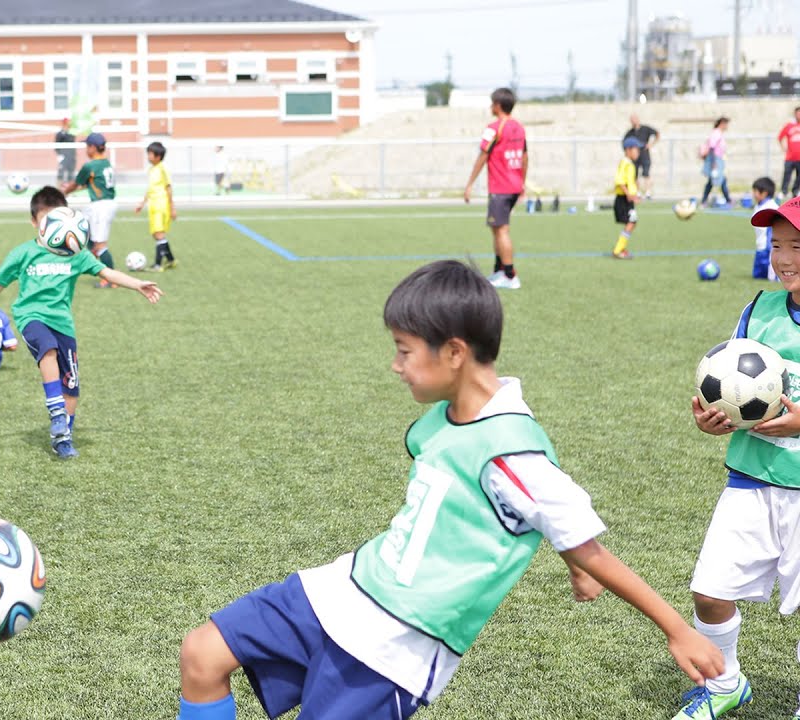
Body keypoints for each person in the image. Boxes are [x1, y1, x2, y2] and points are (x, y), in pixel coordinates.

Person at [176, 260, 725, 720]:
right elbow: (545, 519)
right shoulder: (440, 421)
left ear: (455, 352)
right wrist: (572, 565)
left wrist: (677, 629)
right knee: (202, 652)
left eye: (404, 350)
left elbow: (585, 541)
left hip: (397, 644)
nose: (395, 366)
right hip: (339, 590)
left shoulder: (512, 453)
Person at [681, 195, 800, 720]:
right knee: (709, 591)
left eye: (796, 245)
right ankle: (727, 682)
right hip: (750, 479)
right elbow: (724, 384)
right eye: (777, 245)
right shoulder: (759, 310)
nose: (784, 258)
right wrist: (712, 418)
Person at [0, 186, 163, 459]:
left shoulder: (76, 254)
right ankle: (56, 413)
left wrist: (137, 284)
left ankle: (63, 436)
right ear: (35, 223)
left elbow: (106, 272)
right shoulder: (23, 253)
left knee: (72, 385)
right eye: (47, 221)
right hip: (30, 316)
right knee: (48, 349)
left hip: (63, 322)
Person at [463, 87, 527, 290]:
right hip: (513, 185)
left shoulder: (494, 127)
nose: (491, 107)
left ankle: (509, 275)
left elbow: (483, 156)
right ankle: (500, 270)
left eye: (492, 103)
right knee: (497, 229)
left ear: (498, 106)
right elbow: (525, 157)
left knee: (501, 231)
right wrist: (522, 182)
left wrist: (470, 183)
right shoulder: (519, 127)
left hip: (501, 187)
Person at [61, 132, 117, 288]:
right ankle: (93, 251)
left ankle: (111, 279)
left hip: (101, 206)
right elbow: (91, 183)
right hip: (102, 205)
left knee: (101, 245)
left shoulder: (90, 165)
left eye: (87, 146)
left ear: (93, 147)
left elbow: (76, 183)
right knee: (81, 228)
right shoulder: (106, 163)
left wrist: (65, 191)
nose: (86, 149)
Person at [135, 141, 177, 272]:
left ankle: (158, 265)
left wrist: (172, 207)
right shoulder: (152, 169)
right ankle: (171, 260)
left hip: (161, 205)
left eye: (150, 154)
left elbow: (168, 188)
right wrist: (142, 203)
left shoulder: (163, 169)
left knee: (159, 234)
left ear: (158, 156)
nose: (148, 156)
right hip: (153, 205)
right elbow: (151, 189)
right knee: (156, 234)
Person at [612, 137, 642, 259]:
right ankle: (618, 250)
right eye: (636, 149)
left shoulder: (630, 163)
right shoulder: (625, 163)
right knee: (631, 222)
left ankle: (620, 248)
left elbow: (630, 181)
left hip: (628, 200)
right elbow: (619, 181)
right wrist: (629, 195)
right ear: (628, 150)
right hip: (622, 199)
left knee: (632, 222)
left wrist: (635, 193)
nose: (638, 152)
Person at [623, 114, 660, 200]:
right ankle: (638, 192)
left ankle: (648, 192)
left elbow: (657, 134)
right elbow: (624, 144)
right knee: (635, 174)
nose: (633, 121)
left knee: (646, 173)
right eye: (631, 120)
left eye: (634, 119)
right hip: (634, 158)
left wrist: (651, 144)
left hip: (644, 154)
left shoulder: (645, 129)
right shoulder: (630, 132)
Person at [750, 177, 779, 281]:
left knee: (771, 277)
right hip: (760, 246)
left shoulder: (771, 207)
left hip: (768, 248)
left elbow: (772, 231)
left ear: (764, 193)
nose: (753, 194)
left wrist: (771, 248)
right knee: (757, 276)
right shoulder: (758, 206)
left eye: (755, 191)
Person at [700, 117, 731, 208]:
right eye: (726, 124)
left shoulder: (719, 133)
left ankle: (705, 201)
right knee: (716, 181)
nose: (727, 126)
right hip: (715, 160)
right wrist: (714, 163)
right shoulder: (716, 133)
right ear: (721, 123)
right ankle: (704, 201)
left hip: (718, 159)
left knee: (718, 180)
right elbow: (712, 148)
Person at [778, 107, 800, 199]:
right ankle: (783, 192)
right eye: (798, 113)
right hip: (790, 157)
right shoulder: (789, 126)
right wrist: (784, 148)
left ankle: (795, 191)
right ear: (795, 114)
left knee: (799, 177)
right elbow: (780, 137)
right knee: (787, 175)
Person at [54, 118, 76, 184]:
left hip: (71, 155)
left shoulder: (71, 133)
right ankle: (59, 188)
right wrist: (60, 154)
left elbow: (71, 140)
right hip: (63, 154)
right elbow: (57, 144)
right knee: (61, 172)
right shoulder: (60, 133)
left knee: (71, 172)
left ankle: (70, 188)